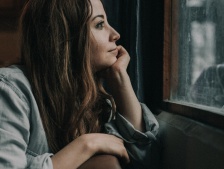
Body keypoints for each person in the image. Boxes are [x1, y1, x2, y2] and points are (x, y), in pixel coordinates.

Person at [0, 0, 160, 168]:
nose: (115, 34)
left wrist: (120, 80)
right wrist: (86, 145)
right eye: (99, 24)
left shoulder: (91, 99)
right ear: (65, 37)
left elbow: (141, 159)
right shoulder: (10, 90)